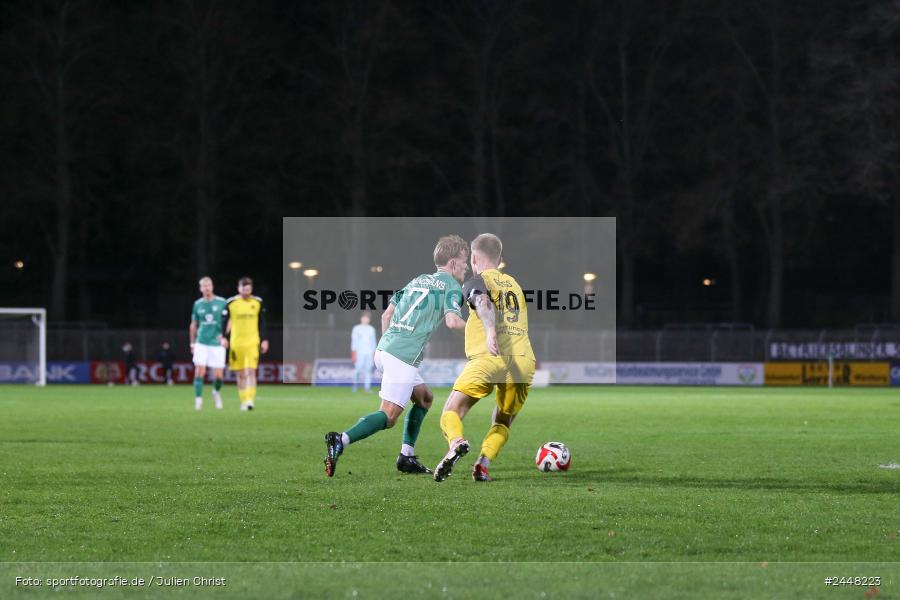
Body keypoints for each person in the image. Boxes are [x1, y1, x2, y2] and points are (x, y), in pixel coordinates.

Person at [323, 235, 469, 477]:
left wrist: (386, 348)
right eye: (464, 261)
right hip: (402, 355)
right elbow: (453, 322)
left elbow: (385, 316)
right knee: (389, 416)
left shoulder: (417, 281)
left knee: (424, 398)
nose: (467, 267)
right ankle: (341, 439)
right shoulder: (451, 286)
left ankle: (406, 456)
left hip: (384, 348)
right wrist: (484, 329)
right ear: (453, 263)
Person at [434, 233, 536, 482]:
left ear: (476, 258)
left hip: (489, 356)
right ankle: (482, 464)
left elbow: (483, 303)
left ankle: (456, 443)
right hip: (522, 360)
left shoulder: (476, 282)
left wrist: (490, 331)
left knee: (452, 410)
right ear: (500, 258)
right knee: (503, 419)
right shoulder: (515, 286)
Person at [223, 277, 269, 411]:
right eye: (243, 289)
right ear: (239, 288)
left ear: (251, 289)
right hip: (236, 343)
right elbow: (226, 322)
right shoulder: (231, 303)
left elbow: (263, 322)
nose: (246, 292)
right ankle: (243, 400)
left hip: (252, 342)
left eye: (248, 289)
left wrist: (264, 339)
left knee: (251, 371)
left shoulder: (258, 302)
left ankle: (250, 400)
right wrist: (224, 337)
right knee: (241, 373)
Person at [189, 276, 228, 410]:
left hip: (217, 344)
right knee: (199, 371)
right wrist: (192, 343)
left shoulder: (222, 302)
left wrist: (225, 336)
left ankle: (216, 393)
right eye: (204, 286)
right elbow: (193, 325)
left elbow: (229, 322)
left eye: (209, 285)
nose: (207, 288)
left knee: (218, 375)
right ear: (200, 288)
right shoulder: (197, 304)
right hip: (201, 342)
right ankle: (198, 400)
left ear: (212, 286)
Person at [351, 312, 377, 392]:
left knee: (368, 370)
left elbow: (373, 343)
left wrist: (374, 354)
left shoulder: (371, 329)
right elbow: (354, 342)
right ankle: (354, 386)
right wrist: (353, 354)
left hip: (369, 353)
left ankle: (367, 388)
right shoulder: (356, 328)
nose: (365, 320)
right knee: (357, 370)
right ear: (361, 318)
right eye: (364, 318)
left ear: (369, 320)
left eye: (367, 318)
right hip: (359, 353)